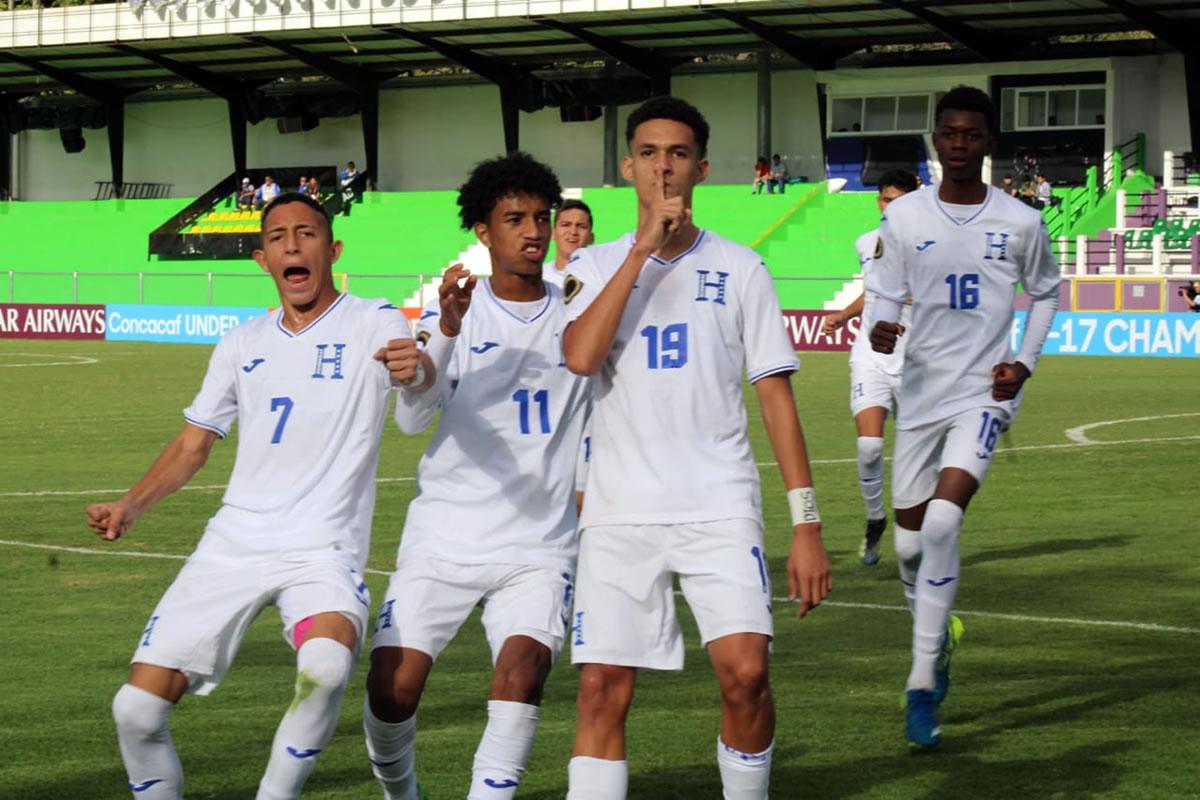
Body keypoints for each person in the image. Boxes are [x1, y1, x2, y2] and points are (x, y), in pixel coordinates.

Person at [86, 192, 421, 799]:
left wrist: (411, 367)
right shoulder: (241, 343)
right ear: (262, 259)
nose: (292, 245)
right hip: (233, 543)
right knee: (135, 710)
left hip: (322, 548)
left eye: (307, 234)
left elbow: (410, 367)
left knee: (325, 668)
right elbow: (194, 443)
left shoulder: (374, 318)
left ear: (332, 249)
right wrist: (129, 505)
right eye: (277, 237)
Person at [560, 96, 832, 800]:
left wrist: (807, 523)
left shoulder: (742, 269)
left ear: (702, 168)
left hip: (718, 505)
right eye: (648, 153)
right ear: (627, 168)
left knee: (747, 676)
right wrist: (643, 252)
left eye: (678, 154)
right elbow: (580, 357)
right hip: (619, 513)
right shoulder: (590, 265)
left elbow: (776, 397)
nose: (663, 168)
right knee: (600, 691)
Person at [364, 152, 592, 800]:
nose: (534, 231)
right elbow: (414, 416)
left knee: (523, 674)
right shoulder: (450, 309)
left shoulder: (578, 314)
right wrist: (445, 333)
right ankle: (401, 791)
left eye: (542, 218)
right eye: (514, 218)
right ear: (484, 232)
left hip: (539, 544)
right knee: (391, 688)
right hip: (445, 537)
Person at [867, 86, 1061, 749]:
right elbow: (883, 298)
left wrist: (1024, 364)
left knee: (946, 521)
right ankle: (938, 632)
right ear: (935, 140)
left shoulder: (1022, 222)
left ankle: (921, 683)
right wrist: (882, 330)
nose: (959, 143)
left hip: (984, 392)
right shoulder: (905, 220)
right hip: (920, 396)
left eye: (971, 135)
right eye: (948, 133)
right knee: (910, 546)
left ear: (988, 143)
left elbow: (1046, 293)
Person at [821, 168, 919, 567]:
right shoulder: (866, 243)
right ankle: (876, 518)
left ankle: (914, 529)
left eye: (897, 200)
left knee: (918, 459)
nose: (888, 206)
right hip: (871, 358)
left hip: (917, 364)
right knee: (869, 446)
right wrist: (844, 315)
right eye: (884, 199)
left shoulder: (933, 246)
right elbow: (872, 289)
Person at [545, 199, 595, 287]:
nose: (573, 232)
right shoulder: (538, 277)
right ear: (552, 233)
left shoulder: (602, 279)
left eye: (581, 226)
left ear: (591, 238)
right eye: (565, 225)